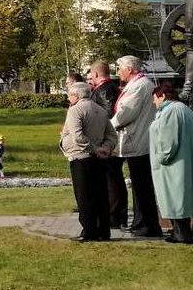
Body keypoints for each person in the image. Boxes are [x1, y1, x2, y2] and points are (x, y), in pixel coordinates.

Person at [150, 80, 193, 244]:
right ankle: (180, 231)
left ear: (162, 95)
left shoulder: (171, 111)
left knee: (175, 198)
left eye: (155, 98)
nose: (153, 103)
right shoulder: (184, 109)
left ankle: (183, 233)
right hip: (182, 161)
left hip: (172, 164)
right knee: (180, 198)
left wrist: (162, 157)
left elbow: (168, 140)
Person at [108, 55, 161, 237]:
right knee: (140, 185)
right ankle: (141, 223)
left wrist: (107, 127)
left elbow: (125, 114)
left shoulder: (139, 86)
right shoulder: (138, 84)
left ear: (130, 69)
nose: (119, 72)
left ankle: (146, 225)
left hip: (138, 141)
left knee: (142, 186)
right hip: (136, 139)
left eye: (120, 68)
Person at [61, 82, 117, 242]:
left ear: (76, 96)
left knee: (84, 195)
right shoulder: (100, 110)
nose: (68, 98)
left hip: (81, 156)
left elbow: (77, 136)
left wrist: (94, 149)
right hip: (99, 159)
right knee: (100, 194)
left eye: (70, 95)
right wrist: (105, 148)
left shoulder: (75, 110)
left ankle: (89, 230)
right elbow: (112, 135)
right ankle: (103, 230)